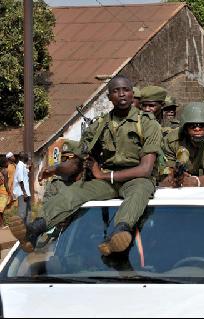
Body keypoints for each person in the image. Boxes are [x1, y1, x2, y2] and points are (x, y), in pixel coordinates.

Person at [9, 75, 163, 256]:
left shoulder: (147, 123)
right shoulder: (99, 125)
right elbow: (78, 159)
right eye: (116, 91)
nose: (121, 94)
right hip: (105, 180)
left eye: (125, 90)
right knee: (73, 192)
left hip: (136, 178)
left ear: (132, 94)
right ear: (109, 98)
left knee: (139, 193)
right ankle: (34, 230)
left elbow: (145, 169)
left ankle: (119, 233)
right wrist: (56, 169)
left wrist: (105, 176)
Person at [159, 102, 204, 187]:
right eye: (192, 126)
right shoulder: (171, 141)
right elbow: (165, 172)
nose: (197, 129)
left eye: (202, 125)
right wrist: (174, 176)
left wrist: (194, 181)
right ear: (185, 127)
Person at [12, 152, 31, 224]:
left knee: (28, 211)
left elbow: (26, 175)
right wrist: (24, 193)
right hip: (22, 192)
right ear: (23, 157)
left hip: (25, 192)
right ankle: (21, 229)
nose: (28, 157)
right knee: (22, 212)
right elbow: (20, 180)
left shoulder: (23, 165)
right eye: (27, 156)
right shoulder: (20, 165)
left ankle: (27, 227)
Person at [0, 156, 9, 227]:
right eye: (7, 162)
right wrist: (9, 192)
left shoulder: (0, 171)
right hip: (4, 192)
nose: (8, 163)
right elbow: (6, 184)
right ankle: (2, 224)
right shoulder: (5, 171)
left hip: (1, 191)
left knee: (1, 209)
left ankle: (2, 223)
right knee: (1, 210)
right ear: (4, 163)